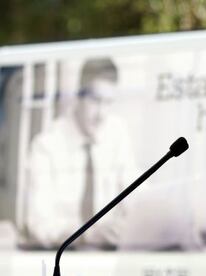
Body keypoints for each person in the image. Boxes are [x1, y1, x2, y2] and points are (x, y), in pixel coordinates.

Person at [23, 58, 137, 250]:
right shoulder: (46, 145)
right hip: (62, 256)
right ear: (79, 95)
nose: (102, 114)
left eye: (108, 103)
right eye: (96, 100)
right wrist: (88, 234)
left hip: (109, 257)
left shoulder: (117, 133)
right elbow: (38, 224)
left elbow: (133, 192)